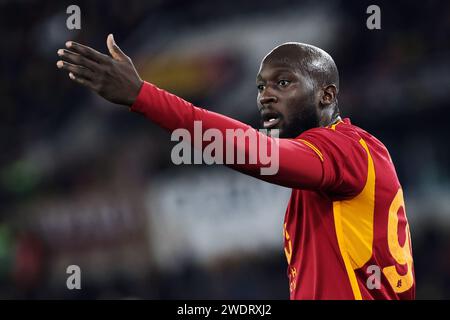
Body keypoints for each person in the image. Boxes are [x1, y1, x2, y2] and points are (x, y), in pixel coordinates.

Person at [56, 34, 415, 300]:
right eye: (260, 87)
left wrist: (143, 96)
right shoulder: (333, 169)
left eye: (283, 83)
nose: (265, 95)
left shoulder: (347, 150)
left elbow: (258, 154)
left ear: (327, 94)